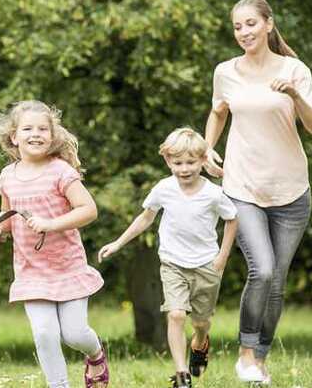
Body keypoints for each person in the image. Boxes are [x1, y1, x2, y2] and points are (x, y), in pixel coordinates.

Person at [204, 0, 312, 384]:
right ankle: (245, 353)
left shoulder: (295, 69)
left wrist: (293, 94)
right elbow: (218, 110)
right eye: (237, 27)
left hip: (291, 190)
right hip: (242, 186)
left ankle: (260, 357)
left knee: (277, 282)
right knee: (263, 269)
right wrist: (208, 148)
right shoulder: (226, 71)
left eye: (250, 24)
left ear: (269, 24)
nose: (243, 32)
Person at [98, 127, 238, 388]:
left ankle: (201, 343)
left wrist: (222, 257)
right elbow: (145, 218)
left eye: (191, 162)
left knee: (201, 321)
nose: (184, 169)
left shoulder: (213, 193)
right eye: (178, 163)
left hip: (207, 264)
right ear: (167, 161)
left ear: (203, 160)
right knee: (175, 315)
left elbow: (232, 219)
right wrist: (117, 243)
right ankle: (182, 373)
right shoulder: (164, 188)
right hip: (172, 263)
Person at [0, 100, 109, 388]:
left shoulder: (60, 171)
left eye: (43, 129)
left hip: (67, 267)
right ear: (14, 137)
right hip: (31, 271)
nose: (36, 134)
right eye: (27, 128)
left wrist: (51, 223)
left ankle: (95, 354)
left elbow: (88, 210)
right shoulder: (7, 176)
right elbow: (7, 222)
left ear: (52, 136)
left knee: (75, 334)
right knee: (44, 334)